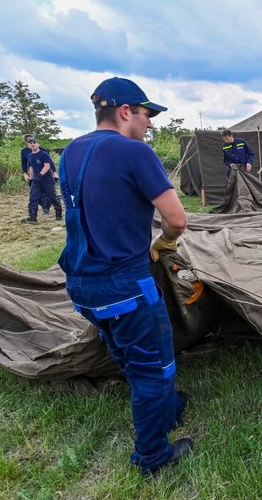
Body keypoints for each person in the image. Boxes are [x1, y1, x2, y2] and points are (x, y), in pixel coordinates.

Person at [58, 77, 192, 476]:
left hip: (81, 284)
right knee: (155, 369)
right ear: (124, 112)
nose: (149, 124)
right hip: (125, 284)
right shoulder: (135, 153)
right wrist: (164, 242)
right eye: (146, 114)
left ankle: (165, 407)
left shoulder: (70, 152)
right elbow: (177, 219)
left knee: (129, 358)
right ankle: (152, 456)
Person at [21, 137, 62, 223]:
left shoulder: (44, 154)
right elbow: (31, 167)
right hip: (36, 181)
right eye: (30, 143)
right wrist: (31, 178)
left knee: (52, 197)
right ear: (28, 145)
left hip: (47, 180)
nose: (32, 144)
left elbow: (47, 166)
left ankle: (58, 212)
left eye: (34, 142)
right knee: (33, 198)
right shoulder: (29, 156)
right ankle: (32, 217)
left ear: (38, 144)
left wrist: (40, 175)